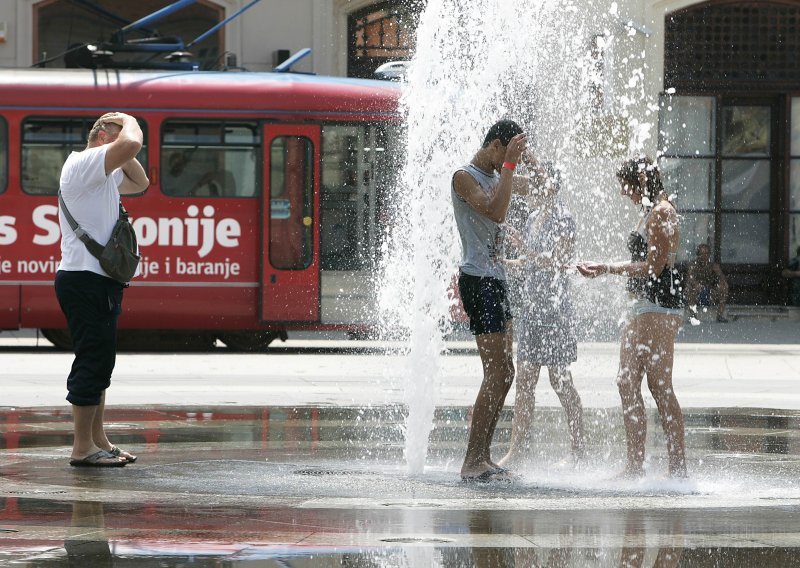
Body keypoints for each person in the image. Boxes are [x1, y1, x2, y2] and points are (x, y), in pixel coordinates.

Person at [577, 156, 686, 478]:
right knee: (628, 382)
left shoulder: (662, 212)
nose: (624, 193)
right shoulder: (651, 212)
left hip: (659, 305)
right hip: (646, 306)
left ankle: (676, 470)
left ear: (640, 179)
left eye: (625, 186)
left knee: (659, 385)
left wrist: (607, 268)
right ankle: (636, 465)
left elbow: (656, 268)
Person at [55, 112, 149, 467]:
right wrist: (127, 121)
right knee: (92, 361)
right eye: (117, 137)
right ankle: (82, 448)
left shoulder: (102, 175)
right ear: (103, 139)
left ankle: (98, 439)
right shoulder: (82, 164)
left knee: (102, 363)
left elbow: (140, 182)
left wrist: (121, 146)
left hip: (98, 279)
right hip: (84, 278)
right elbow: (132, 142)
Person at [452, 119, 528, 482]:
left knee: (507, 373)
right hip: (477, 281)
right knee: (495, 371)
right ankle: (471, 461)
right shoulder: (463, 177)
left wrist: (530, 167)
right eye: (507, 153)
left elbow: (539, 190)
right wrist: (510, 168)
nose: (507, 163)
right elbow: (495, 211)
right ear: (495, 144)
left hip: (496, 281)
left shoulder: (500, 177)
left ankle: (484, 456)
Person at [499, 162, 584, 469]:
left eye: (537, 183)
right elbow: (529, 262)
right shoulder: (534, 217)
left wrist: (525, 251)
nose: (530, 189)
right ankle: (516, 449)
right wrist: (504, 261)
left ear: (551, 186)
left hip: (555, 309)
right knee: (524, 380)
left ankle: (578, 449)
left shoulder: (563, 217)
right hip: (533, 308)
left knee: (559, 380)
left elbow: (559, 261)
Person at [686, 243, 729, 323]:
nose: (704, 256)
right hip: (697, 293)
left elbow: (722, 277)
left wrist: (722, 283)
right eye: (702, 254)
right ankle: (693, 316)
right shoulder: (693, 265)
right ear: (698, 255)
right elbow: (690, 277)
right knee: (689, 289)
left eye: (706, 254)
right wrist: (697, 285)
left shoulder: (713, 266)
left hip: (710, 293)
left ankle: (719, 315)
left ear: (709, 255)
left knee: (723, 287)